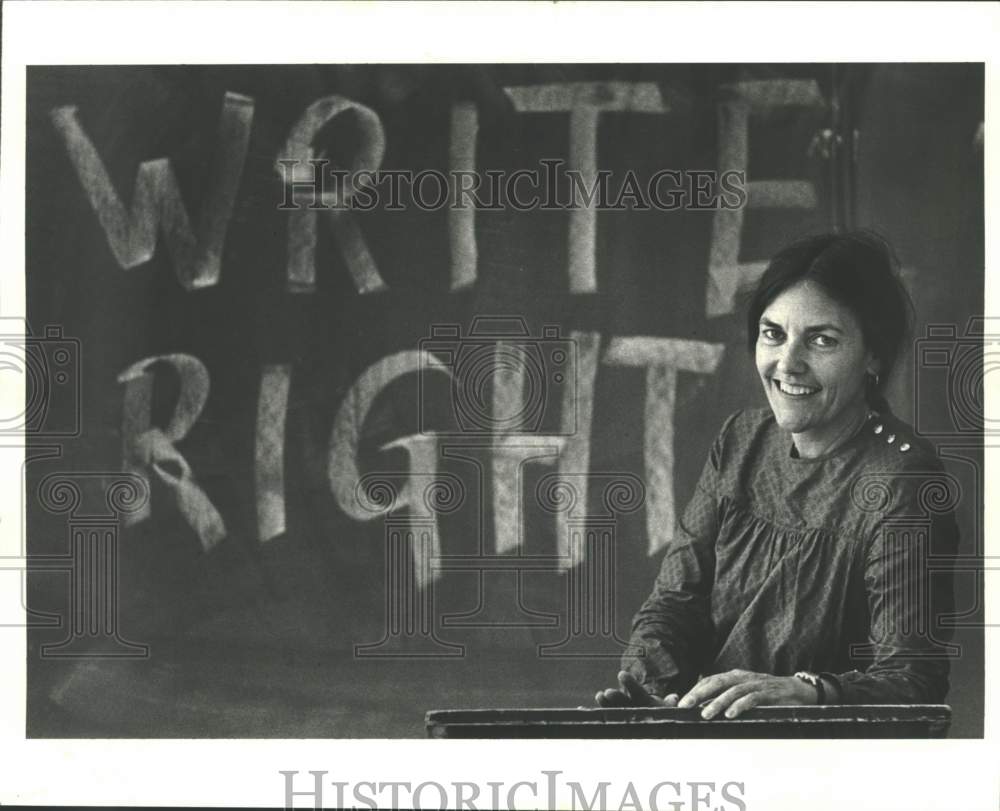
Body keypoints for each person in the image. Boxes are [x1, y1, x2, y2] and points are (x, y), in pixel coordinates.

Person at [597, 231, 958, 720]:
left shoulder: (903, 480)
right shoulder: (742, 439)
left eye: (822, 340)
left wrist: (809, 692)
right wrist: (652, 694)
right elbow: (675, 601)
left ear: (873, 356)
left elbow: (914, 679)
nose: (787, 364)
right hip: (711, 737)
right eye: (774, 334)